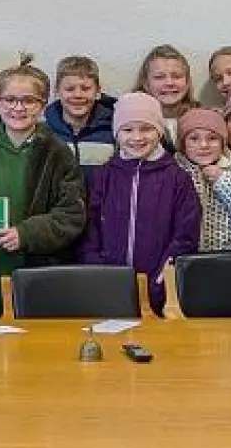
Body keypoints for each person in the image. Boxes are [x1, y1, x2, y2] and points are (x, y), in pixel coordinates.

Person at [0, 57, 87, 317]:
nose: (18, 108)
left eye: (28, 100)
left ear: (42, 105)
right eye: (9, 100)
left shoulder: (58, 154)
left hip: (41, 281)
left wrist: (26, 234)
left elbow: (72, 215)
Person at [78, 93, 202, 313]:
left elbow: (185, 236)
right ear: (117, 134)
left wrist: (160, 280)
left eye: (146, 129)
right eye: (127, 130)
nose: (136, 137)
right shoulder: (105, 175)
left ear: (159, 132)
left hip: (159, 290)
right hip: (108, 286)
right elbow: (91, 228)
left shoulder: (177, 178)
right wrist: (98, 271)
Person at [174, 108, 231, 252]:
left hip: (229, 260)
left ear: (223, 144)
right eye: (194, 138)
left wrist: (224, 182)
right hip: (182, 261)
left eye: (212, 138)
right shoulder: (173, 176)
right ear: (182, 144)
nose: (204, 145)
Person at [43, 55, 117, 187]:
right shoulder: (44, 132)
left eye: (86, 89)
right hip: (59, 207)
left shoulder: (113, 130)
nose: (78, 95)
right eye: (70, 89)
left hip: (102, 207)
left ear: (98, 91)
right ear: (57, 91)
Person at [135, 45, 197, 142]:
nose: (169, 83)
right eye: (159, 77)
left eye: (177, 76)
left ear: (187, 82)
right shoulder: (132, 123)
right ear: (146, 84)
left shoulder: (201, 118)